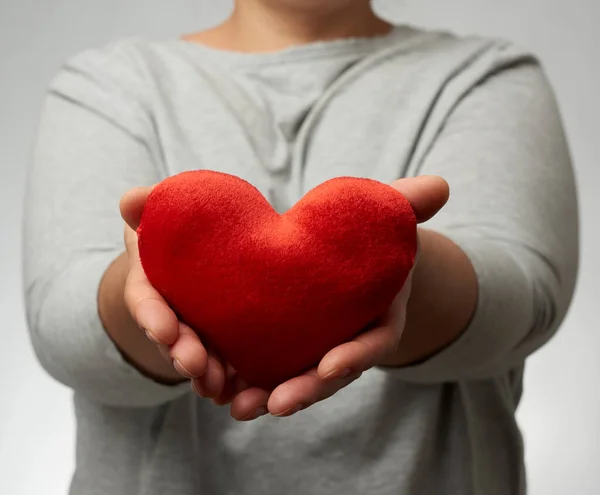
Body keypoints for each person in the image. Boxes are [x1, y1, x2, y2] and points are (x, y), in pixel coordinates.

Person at [23, 0, 578, 494]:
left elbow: (528, 302)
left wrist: (395, 263)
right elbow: (63, 329)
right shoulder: (109, 83)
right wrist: (144, 291)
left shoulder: (487, 76)